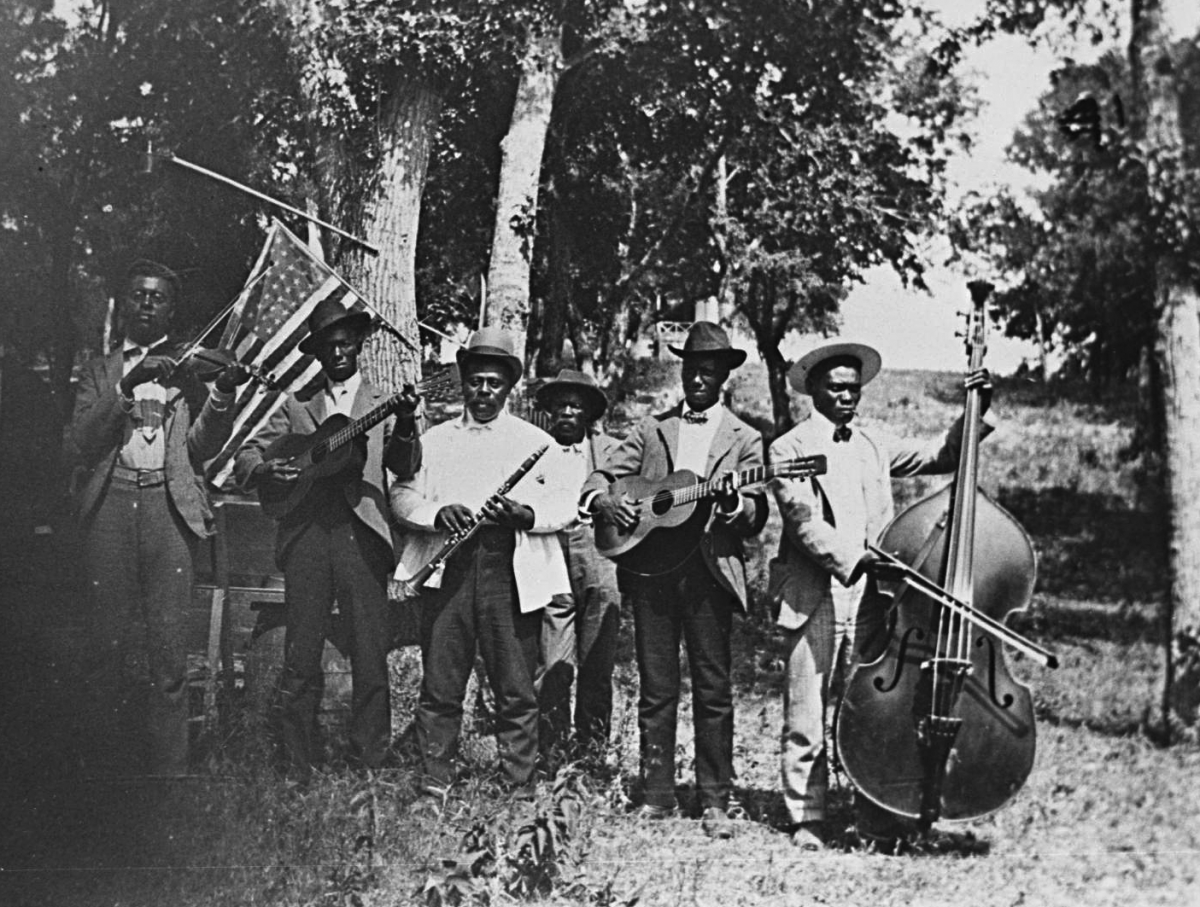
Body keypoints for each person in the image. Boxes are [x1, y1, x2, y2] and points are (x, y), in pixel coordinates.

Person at [767, 340, 993, 851]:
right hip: (814, 594)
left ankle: (872, 810)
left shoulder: (873, 444)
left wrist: (975, 409)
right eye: (837, 388)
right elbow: (803, 522)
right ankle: (807, 816)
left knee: (867, 707)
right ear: (815, 392)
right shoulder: (788, 447)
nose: (848, 397)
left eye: (854, 389)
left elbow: (944, 454)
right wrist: (858, 557)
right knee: (806, 711)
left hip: (872, 599)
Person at [580, 321, 768, 839]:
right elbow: (602, 474)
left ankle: (715, 801)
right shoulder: (652, 428)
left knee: (713, 690)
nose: (699, 379)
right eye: (691, 369)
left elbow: (755, 512)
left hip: (709, 574)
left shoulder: (745, 438)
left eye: (709, 371)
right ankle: (657, 795)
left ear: (724, 377)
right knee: (656, 688)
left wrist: (732, 501)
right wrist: (605, 502)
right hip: (651, 573)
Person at [69, 259, 250, 776]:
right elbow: (81, 441)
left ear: (171, 309)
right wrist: (129, 385)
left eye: (158, 297)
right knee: (105, 645)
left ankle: (169, 776)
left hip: (167, 509)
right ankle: (99, 771)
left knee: (169, 651)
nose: (147, 304)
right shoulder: (100, 367)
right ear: (124, 304)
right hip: (111, 504)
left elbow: (202, 449)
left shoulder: (187, 368)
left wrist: (222, 393)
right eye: (138, 295)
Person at [234, 297, 416, 776]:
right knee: (302, 651)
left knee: (370, 652)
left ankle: (369, 763)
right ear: (316, 352)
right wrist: (266, 469)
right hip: (307, 535)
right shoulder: (298, 405)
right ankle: (297, 762)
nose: (337, 353)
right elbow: (248, 453)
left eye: (345, 343)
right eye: (327, 346)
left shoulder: (382, 403)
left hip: (361, 535)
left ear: (358, 344)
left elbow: (406, 466)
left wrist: (409, 421)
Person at [391, 328, 576, 796]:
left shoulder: (537, 443)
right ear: (463, 382)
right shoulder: (436, 439)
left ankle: (518, 783)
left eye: (494, 382)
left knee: (515, 683)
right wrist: (437, 514)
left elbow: (565, 504)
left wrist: (525, 515)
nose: (484, 391)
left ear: (509, 385)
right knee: (442, 679)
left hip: (509, 567)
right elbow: (401, 494)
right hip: (449, 566)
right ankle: (435, 781)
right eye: (475, 381)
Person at [532, 369, 621, 762]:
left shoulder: (613, 451)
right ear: (550, 411)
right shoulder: (535, 449)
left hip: (598, 551)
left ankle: (592, 754)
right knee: (553, 660)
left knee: (598, 660)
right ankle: (551, 751)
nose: (567, 412)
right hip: (549, 550)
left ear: (588, 413)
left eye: (576, 406)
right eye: (560, 406)